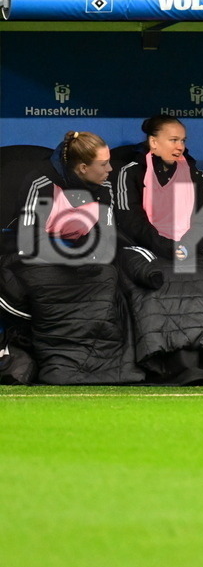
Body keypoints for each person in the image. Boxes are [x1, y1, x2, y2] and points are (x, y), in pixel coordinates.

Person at [0, 131, 143, 384]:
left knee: (106, 275)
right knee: (57, 284)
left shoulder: (105, 186)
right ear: (83, 167)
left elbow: (105, 233)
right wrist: (73, 258)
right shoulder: (40, 182)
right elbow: (30, 239)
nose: (110, 169)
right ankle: (62, 367)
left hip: (81, 258)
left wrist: (90, 255)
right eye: (103, 164)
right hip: (34, 257)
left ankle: (105, 368)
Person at [113, 115, 203, 384]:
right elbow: (128, 219)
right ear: (153, 142)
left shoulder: (195, 174)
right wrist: (165, 246)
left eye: (183, 141)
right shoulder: (129, 172)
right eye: (173, 140)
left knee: (202, 280)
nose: (180, 147)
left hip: (188, 249)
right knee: (158, 283)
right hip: (143, 248)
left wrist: (186, 246)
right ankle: (164, 364)